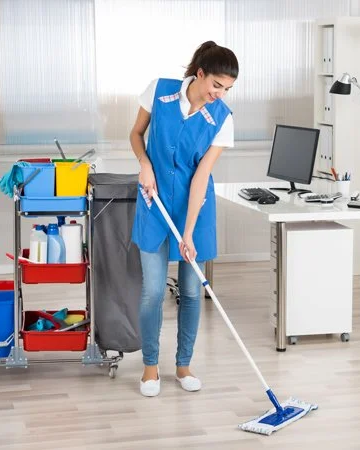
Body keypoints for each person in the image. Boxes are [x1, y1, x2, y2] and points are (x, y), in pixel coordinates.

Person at [130, 41, 239, 397]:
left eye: (227, 89)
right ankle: (150, 368)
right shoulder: (159, 90)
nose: (219, 95)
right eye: (216, 85)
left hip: (195, 207)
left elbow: (201, 176)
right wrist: (145, 165)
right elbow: (136, 134)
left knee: (192, 291)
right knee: (152, 292)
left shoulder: (222, 119)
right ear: (200, 74)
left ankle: (183, 365)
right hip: (154, 202)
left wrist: (189, 232)